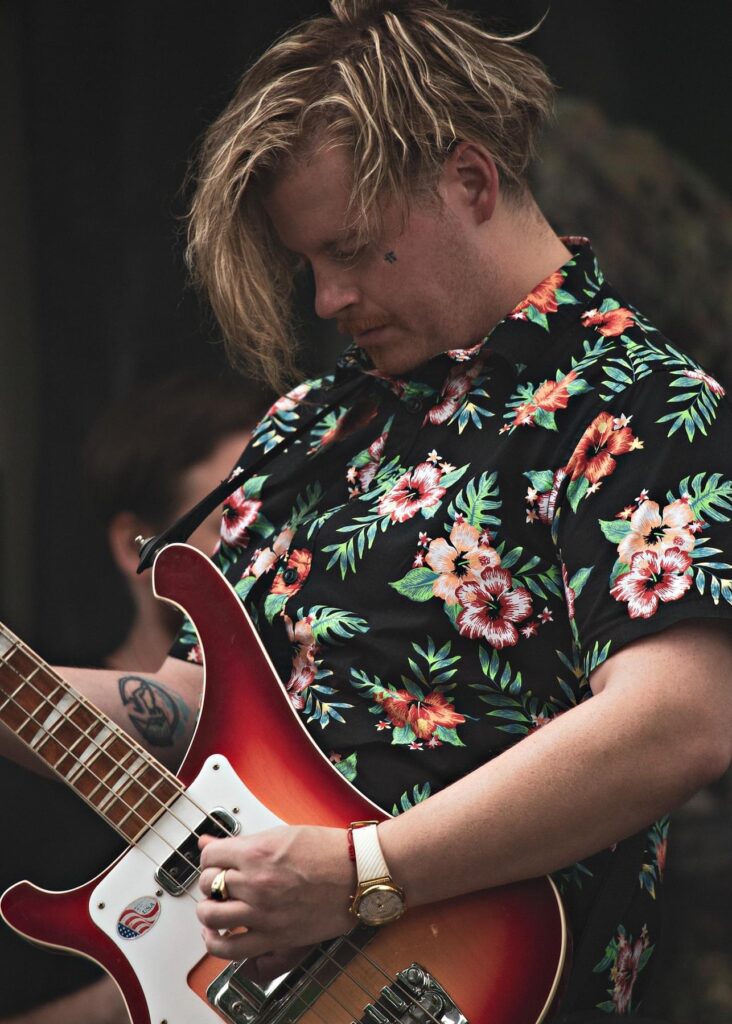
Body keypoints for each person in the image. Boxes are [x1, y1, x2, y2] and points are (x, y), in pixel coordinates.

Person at [2, 2, 731, 1020]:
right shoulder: (308, 425)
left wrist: (358, 872)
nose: (326, 299)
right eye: (308, 264)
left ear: (470, 181)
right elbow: (194, 706)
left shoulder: (639, 398)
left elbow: (681, 720)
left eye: (350, 250)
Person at [0, 370, 268, 1023]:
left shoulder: (323, 698)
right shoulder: (18, 770)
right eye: (237, 525)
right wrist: (163, 985)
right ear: (135, 546)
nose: (274, 552)